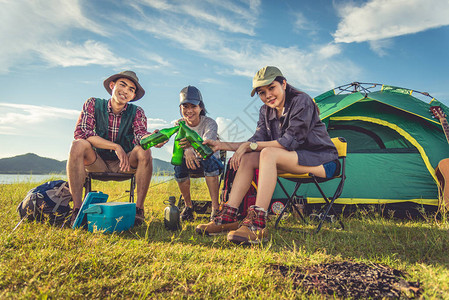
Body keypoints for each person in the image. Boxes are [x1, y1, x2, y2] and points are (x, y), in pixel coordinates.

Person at [196, 66, 339, 244]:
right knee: (249, 157)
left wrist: (251, 145)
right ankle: (229, 216)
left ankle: (258, 221)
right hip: (292, 158)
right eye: (262, 92)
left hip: (322, 161)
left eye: (272, 88)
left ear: (284, 84)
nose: (268, 95)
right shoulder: (266, 111)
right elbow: (256, 141)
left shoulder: (302, 101)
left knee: (267, 153)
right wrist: (221, 145)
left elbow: (288, 142)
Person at [67, 70, 155, 227]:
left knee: (145, 150)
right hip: (96, 161)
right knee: (77, 145)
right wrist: (115, 146)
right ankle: (77, 210)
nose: (126, 91)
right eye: (123, 85)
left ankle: (138, 211)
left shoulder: (137, 112)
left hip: (125, 164)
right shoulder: (93, 103)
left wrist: (153, 138)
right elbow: (83, 132)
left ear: (133, 96)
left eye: (131, 89)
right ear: (112, 85)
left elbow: (140, 135)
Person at [173, 86, 223, 221]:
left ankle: (215, 207)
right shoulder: (179, 123)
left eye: (193, 106)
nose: (189, 111)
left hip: (211, 160)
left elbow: (205, 145)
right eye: (185, 106)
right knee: (178, 165)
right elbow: (178, 144)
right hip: (190, 162)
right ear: (180, 108)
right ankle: (188, 207)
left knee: (207, 159)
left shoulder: (210, 123)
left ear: (200, 107)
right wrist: (187, 150)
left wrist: (189, 146)